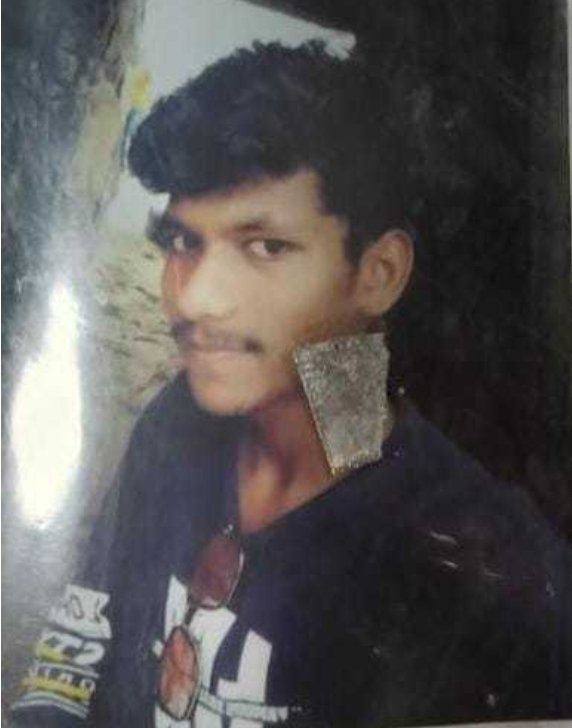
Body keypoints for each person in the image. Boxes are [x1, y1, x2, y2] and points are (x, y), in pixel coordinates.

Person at [11, 41, 572, 728]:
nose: (196, 299)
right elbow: (76, 644)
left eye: (265, 247)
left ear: (379, 275)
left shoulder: (490, 573)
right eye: (183, 242)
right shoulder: (173, 425)